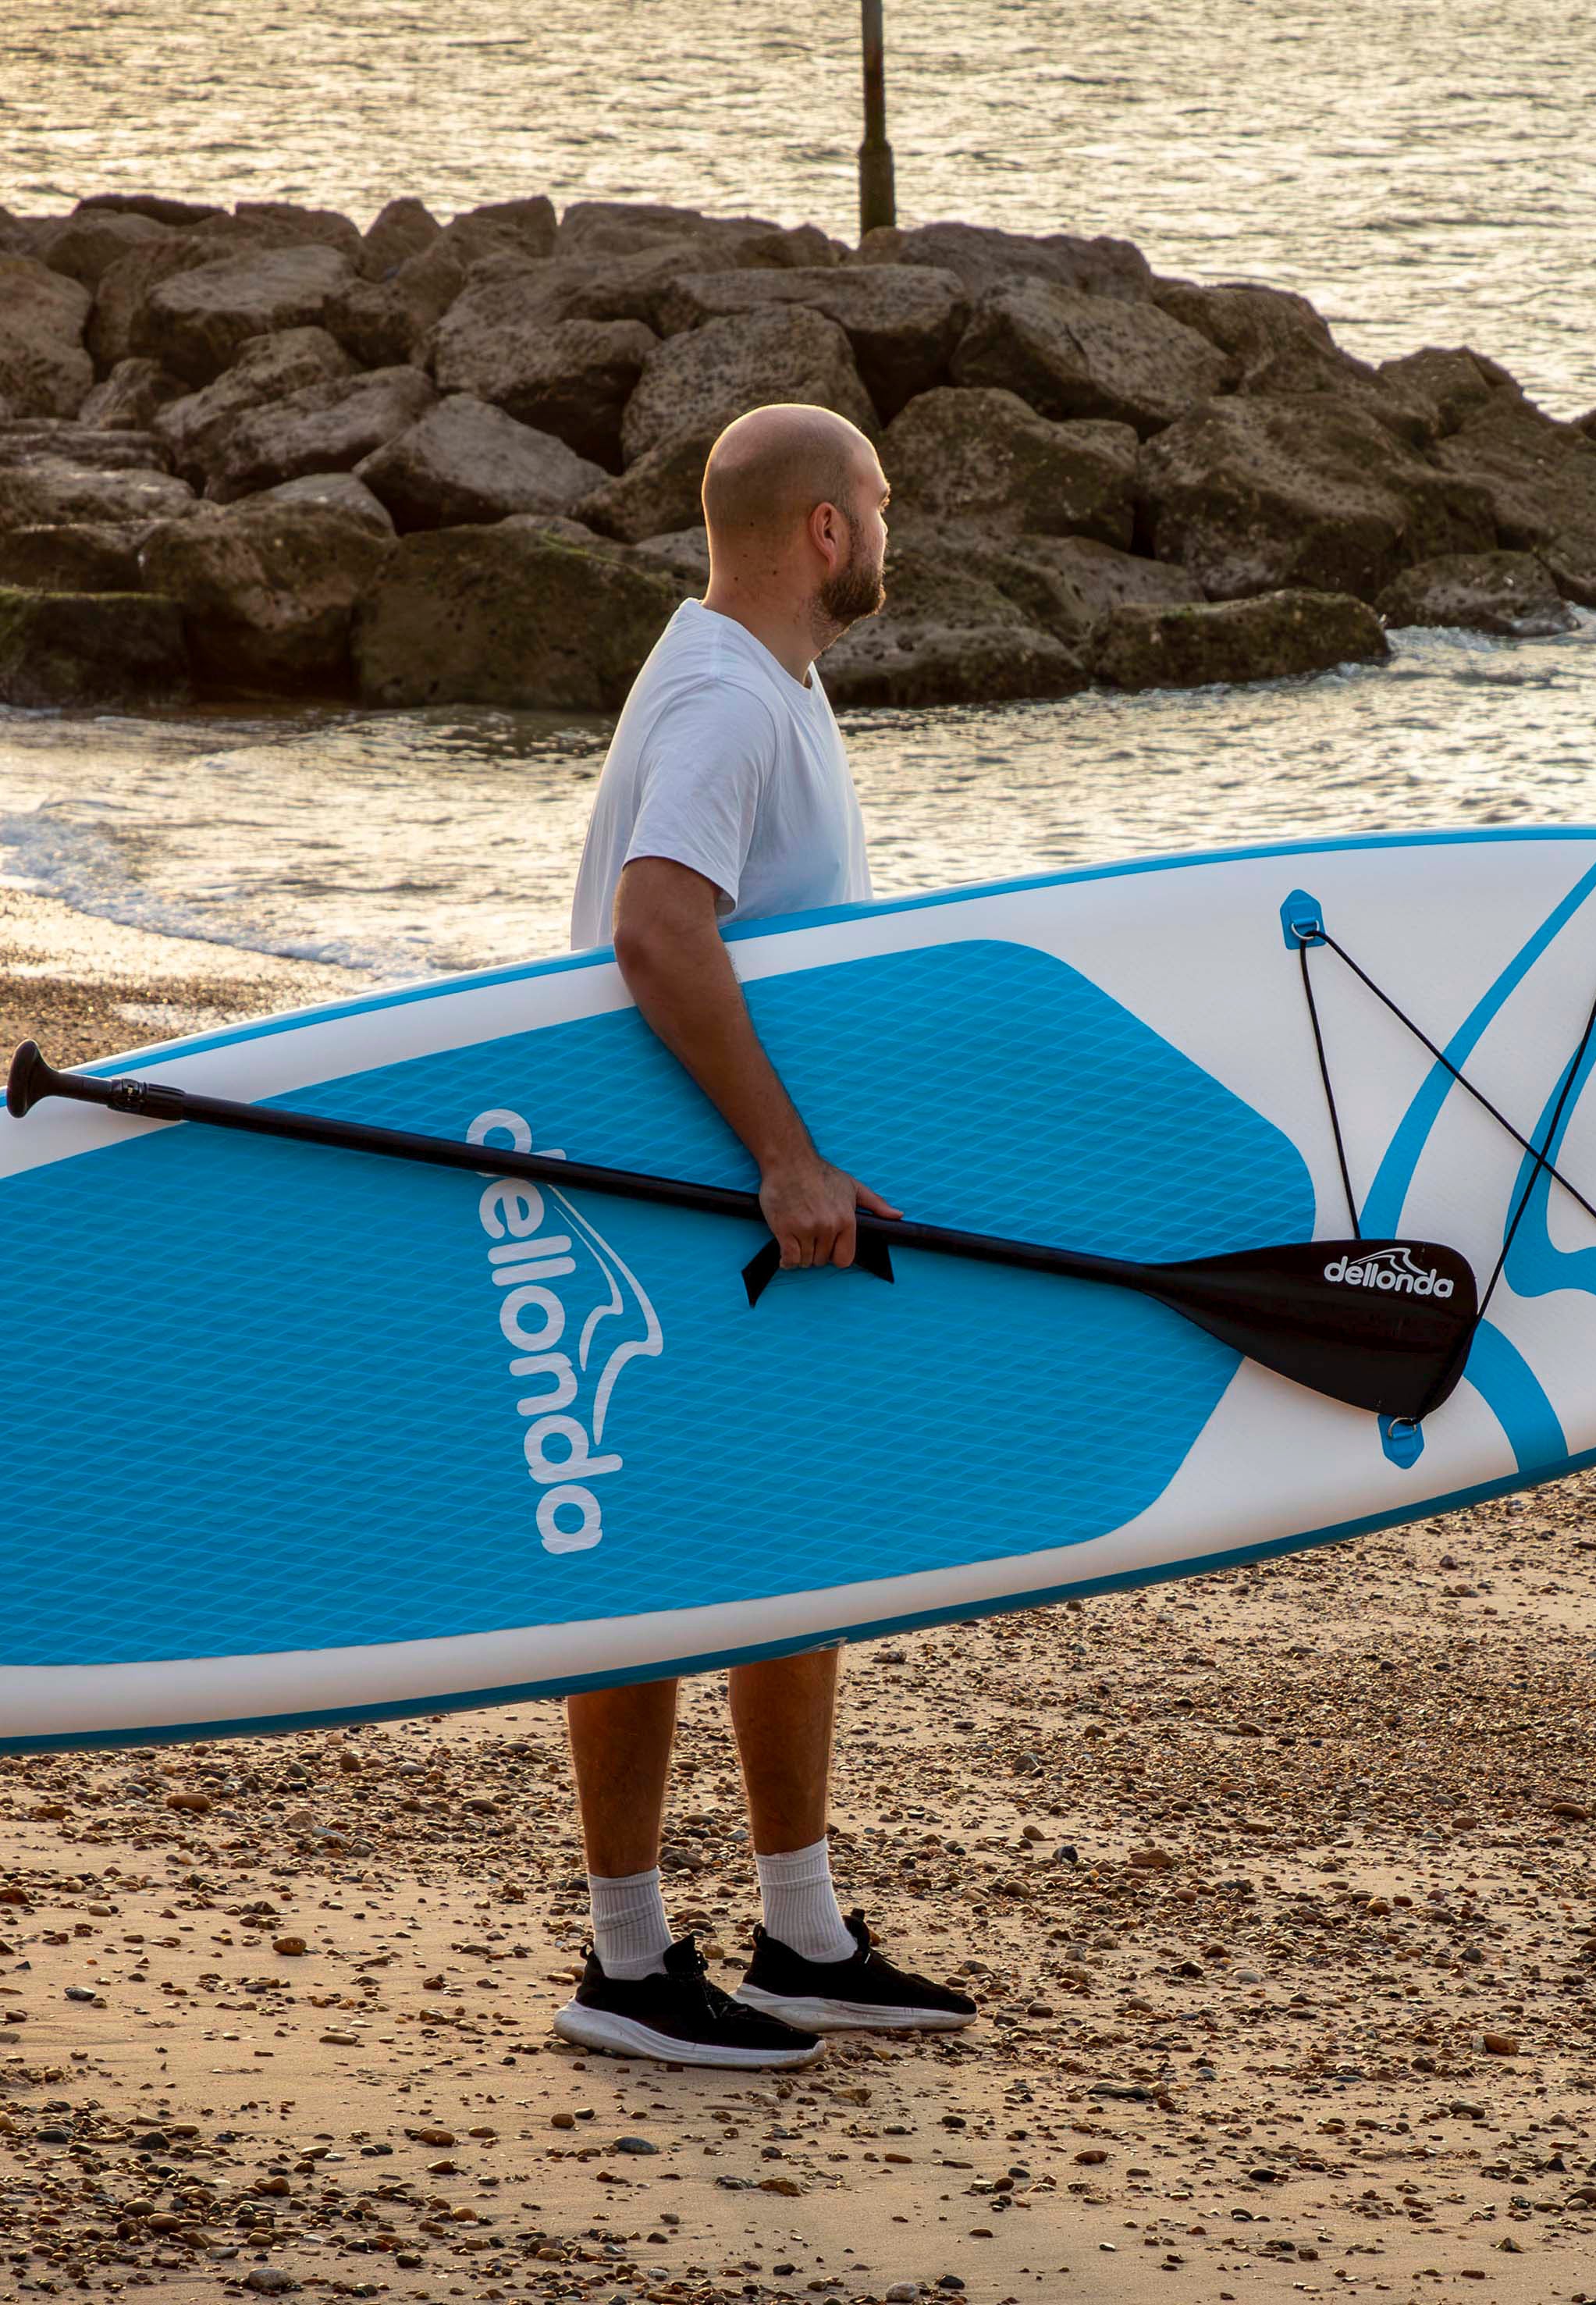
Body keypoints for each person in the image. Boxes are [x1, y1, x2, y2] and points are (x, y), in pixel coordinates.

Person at [549, 402, 976, 2070]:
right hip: (684, 1188)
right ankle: (625, 1961)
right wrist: (788, 1159)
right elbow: (660, 933)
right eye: (880, 501)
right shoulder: (730, 692)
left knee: (793, 1548)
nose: (891, 527)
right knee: (657, 1576)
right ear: (822, 530)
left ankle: (799, 1931)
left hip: (717, 1185)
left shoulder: (755, 673)